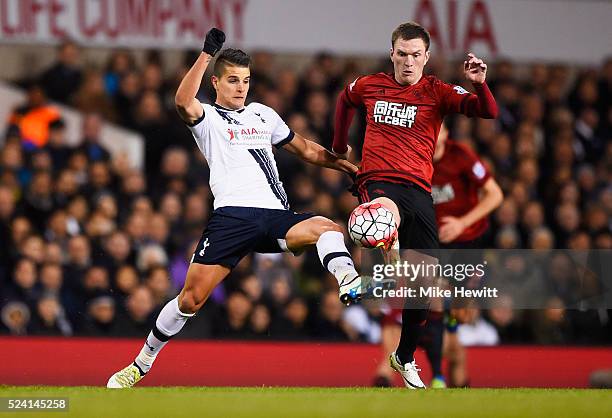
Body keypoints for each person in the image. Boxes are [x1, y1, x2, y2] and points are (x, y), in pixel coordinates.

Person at [107, 28, 362, 388]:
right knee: (190, 301)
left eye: (245, 80)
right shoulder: (208, 119)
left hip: (275, 216)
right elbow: (182, 101)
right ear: (215, 82)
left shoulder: (263, 115)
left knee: (327, 228)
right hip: (232, 218)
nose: (241, 87)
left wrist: (347, 167)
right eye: (232, 80)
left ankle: (348, 280)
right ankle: (141, 364)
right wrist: (206, 53)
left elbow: (304, 148)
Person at [333, 22, 498, 388]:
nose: (408, 62)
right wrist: (339, 146)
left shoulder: (438, 91)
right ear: (393, 53)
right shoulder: (371, 85)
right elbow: (345, 99)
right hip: (378, 180)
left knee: (424, 288)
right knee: (379, 217)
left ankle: (404, 357)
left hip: (420, 193)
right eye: (402, 54)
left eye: (415, 55)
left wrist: (479, 83)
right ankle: (379, 266)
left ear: (426, 57)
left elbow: (488, 112)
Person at [373, 123, 503, 388]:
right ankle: (437, 377)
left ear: (445, 134)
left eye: (436, 129)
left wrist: (462, 224)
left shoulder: (462, 156)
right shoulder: (410, 161)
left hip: (467, 243)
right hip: (430, 244)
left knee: (460, 314)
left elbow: (495, 195)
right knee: (428, 296)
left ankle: (449, 333)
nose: (430, 134)